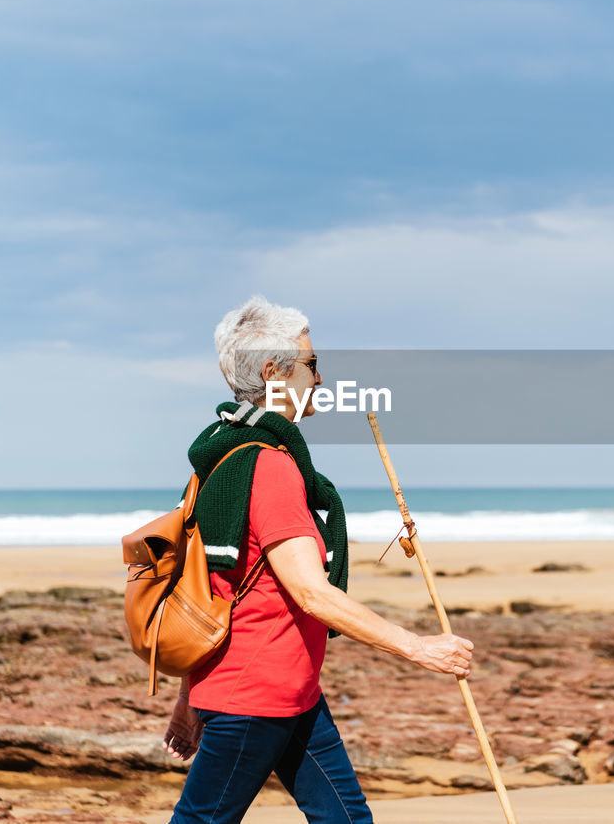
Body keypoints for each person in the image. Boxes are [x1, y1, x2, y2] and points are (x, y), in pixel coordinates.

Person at [165, 295, 474, 824]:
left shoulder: (220, 459)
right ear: (273, 372)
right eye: (312, 365)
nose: (321, 380)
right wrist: (420, 647)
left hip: (290, 690)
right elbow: (310, 591)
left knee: (348, 821)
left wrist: (190, 695)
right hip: (255, 696)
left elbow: (212, 590)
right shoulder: (271, 467)